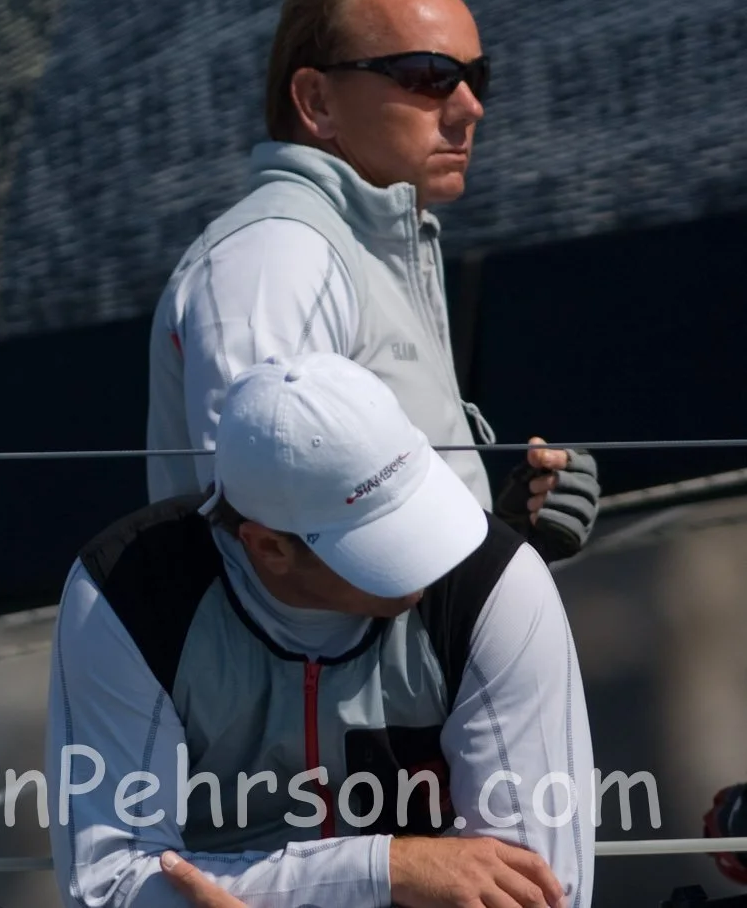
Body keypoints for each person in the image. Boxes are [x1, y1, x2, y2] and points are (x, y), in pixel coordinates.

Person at [51, 355, 592, 908]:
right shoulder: (123, 593)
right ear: (267, 546)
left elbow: (540, 894)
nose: (432, 556)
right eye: (382, 540)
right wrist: (387, 867)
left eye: (417, 505)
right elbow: (110, 883)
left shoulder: (498, 580)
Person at [146, 0, 599, 559]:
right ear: (316, 101)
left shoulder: (369, 244)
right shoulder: (278, 255)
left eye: (476, 76)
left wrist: (499, 538)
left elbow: (341, 533)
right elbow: (273, 541)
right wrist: (481, 569)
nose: (471, 108)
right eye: (431, 76)